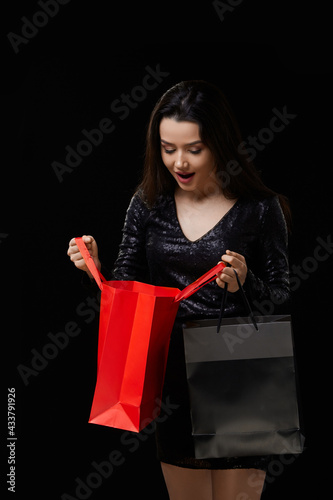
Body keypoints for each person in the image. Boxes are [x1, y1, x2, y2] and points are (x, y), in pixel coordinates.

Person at [67, 80, 291, 500]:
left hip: (240, 378)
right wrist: (93, 270)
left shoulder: (260, 208)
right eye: (168, 148)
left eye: (194, 148)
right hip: (172, 384)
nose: (179, 161)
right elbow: (126, 289)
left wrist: (247, 282)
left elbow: (283, 297)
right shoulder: (148, 203)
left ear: (220, 145)